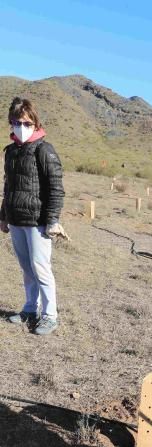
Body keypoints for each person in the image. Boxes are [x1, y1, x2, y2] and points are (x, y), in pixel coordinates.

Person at [0, 97, 66, 335]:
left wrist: (53, 220)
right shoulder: (11, 152)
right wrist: (3, 216)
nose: (22, 127)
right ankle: (30, 309)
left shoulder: (44, 150)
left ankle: (50, 315)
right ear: (11, 123)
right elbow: (8, 187)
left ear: (36, 123)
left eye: (27, 123)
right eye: (17, 122)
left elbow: (56, 188)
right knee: (27, 269)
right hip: (16, 219)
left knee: (41, 268)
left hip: (38, 221)